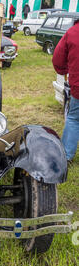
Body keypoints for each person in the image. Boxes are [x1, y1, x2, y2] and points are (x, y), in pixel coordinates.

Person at [52, 19, 79, 162]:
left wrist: (64, 71)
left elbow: (57, 58)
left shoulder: (72, 32)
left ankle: (67, 154)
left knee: (74, 118)